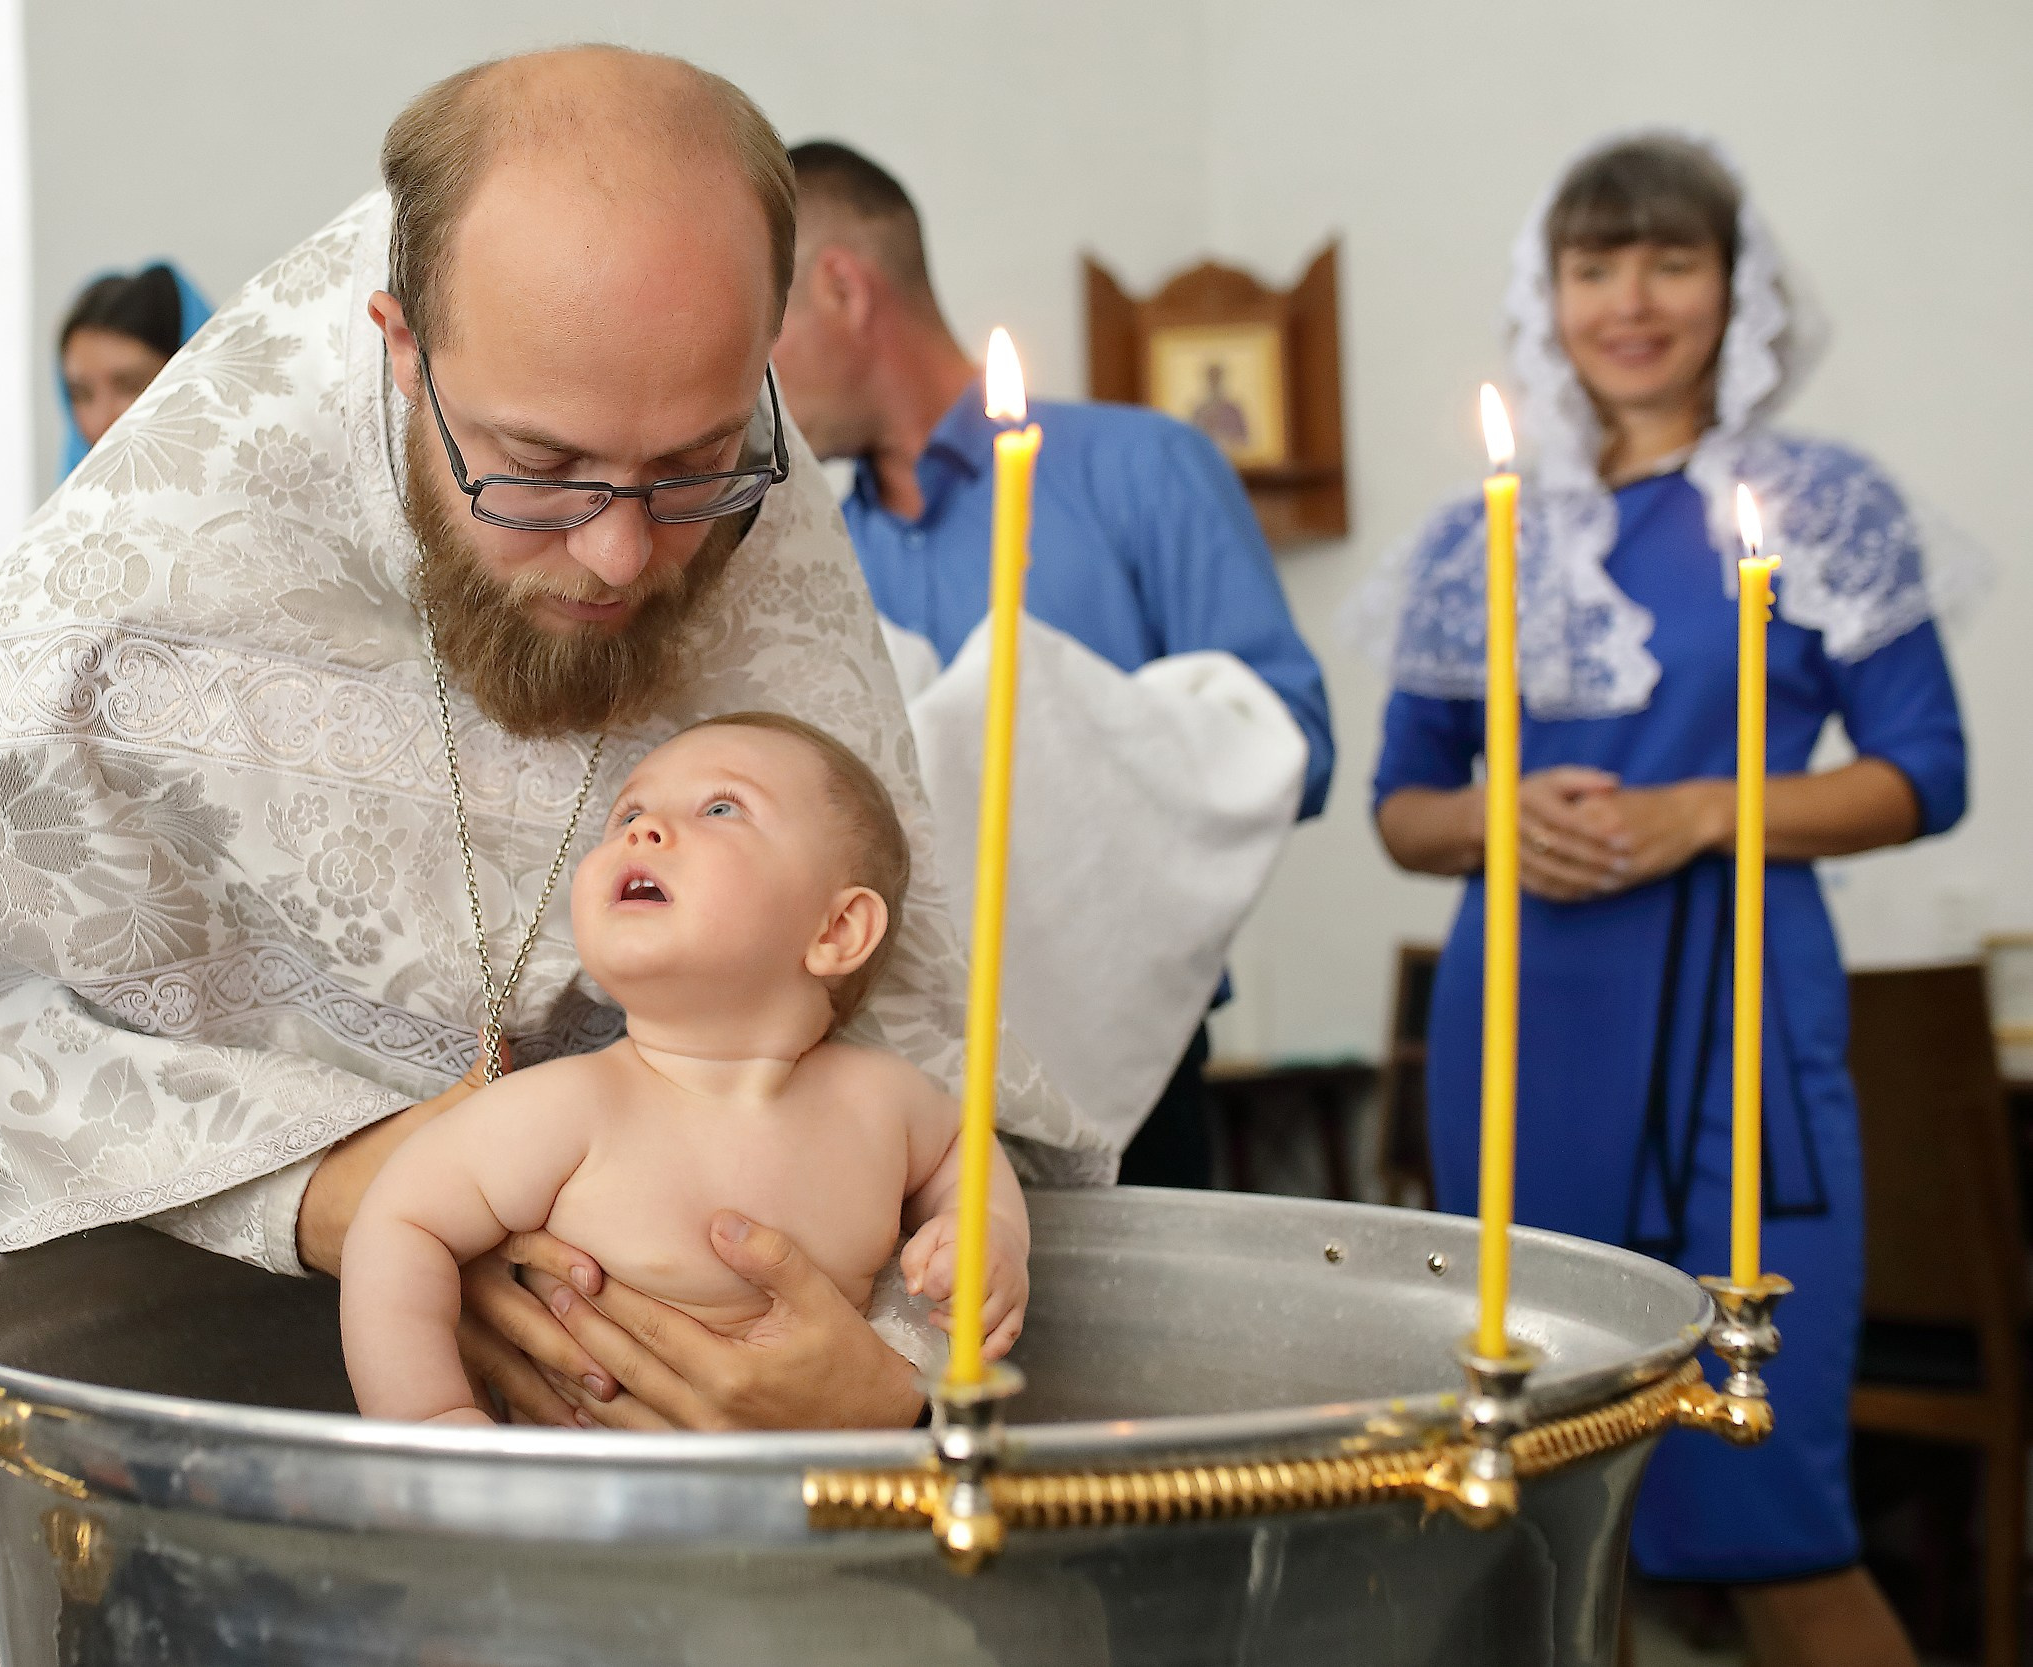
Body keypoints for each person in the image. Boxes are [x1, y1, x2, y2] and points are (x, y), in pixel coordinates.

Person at [0, 48, 1108, 1665]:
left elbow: (918, 1059)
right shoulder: (157, 585)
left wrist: (889, 1383)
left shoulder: (754, 523)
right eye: (543, 468)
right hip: (178, 1526)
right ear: (402, 346)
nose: (626, 551)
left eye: (695, 465)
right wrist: (337, 1181)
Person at [1366, 132, 1974, 1667]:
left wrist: (1713, 807)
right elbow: (1402, 807)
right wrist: (1497, 818)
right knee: (1537, 1529)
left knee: (1778, 1518)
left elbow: (1927, 769)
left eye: (1670, 258)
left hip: (1740, 1028)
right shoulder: (1478, 534)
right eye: (1594, 263)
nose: (1630, 299)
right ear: (1547, 292)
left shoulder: (1815, 501)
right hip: (1522, 1029)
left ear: (1737, 288)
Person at [773, 140, 1333, 1185]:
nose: (746, 375)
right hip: (906, 1075)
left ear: (842, 286)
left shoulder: (1143, 468)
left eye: (761, 326)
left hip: (1135, 1050)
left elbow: (1292, 738)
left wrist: (1064, 727)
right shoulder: (817, 549)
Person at [345, 713, 1029, 1424]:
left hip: (816, 1501)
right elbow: (397, 1222)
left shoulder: (880, 1102)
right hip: (589, 1503)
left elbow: (966, 1148)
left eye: (721, 807)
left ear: (836, 930)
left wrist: (990, 1233)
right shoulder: (571, 1106)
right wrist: (433, 1422)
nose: (643, 829)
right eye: (628, 813)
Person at [55, 260, 212, 474]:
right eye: (82, 394)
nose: (102, 421)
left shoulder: (260, 497)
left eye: (130, 386)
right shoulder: (64, 504)